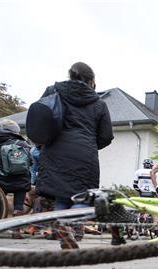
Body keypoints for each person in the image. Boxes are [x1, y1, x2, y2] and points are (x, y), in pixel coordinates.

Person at [34, 61, 114, 249]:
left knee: (60, 195)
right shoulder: (98, 103)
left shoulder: (52, 91)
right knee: (84, 198)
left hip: (55, 151)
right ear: (92, 81)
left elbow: (40, 117)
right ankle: (68, 226)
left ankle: (63, 227)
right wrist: (90, 145)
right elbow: (106, 136)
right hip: (85, 154)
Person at [0, 119, 32, 234]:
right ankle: (16, 232)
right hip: (20, 178)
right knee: (18, 205)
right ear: (14, 131)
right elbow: (30, 161)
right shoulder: (21, 143)